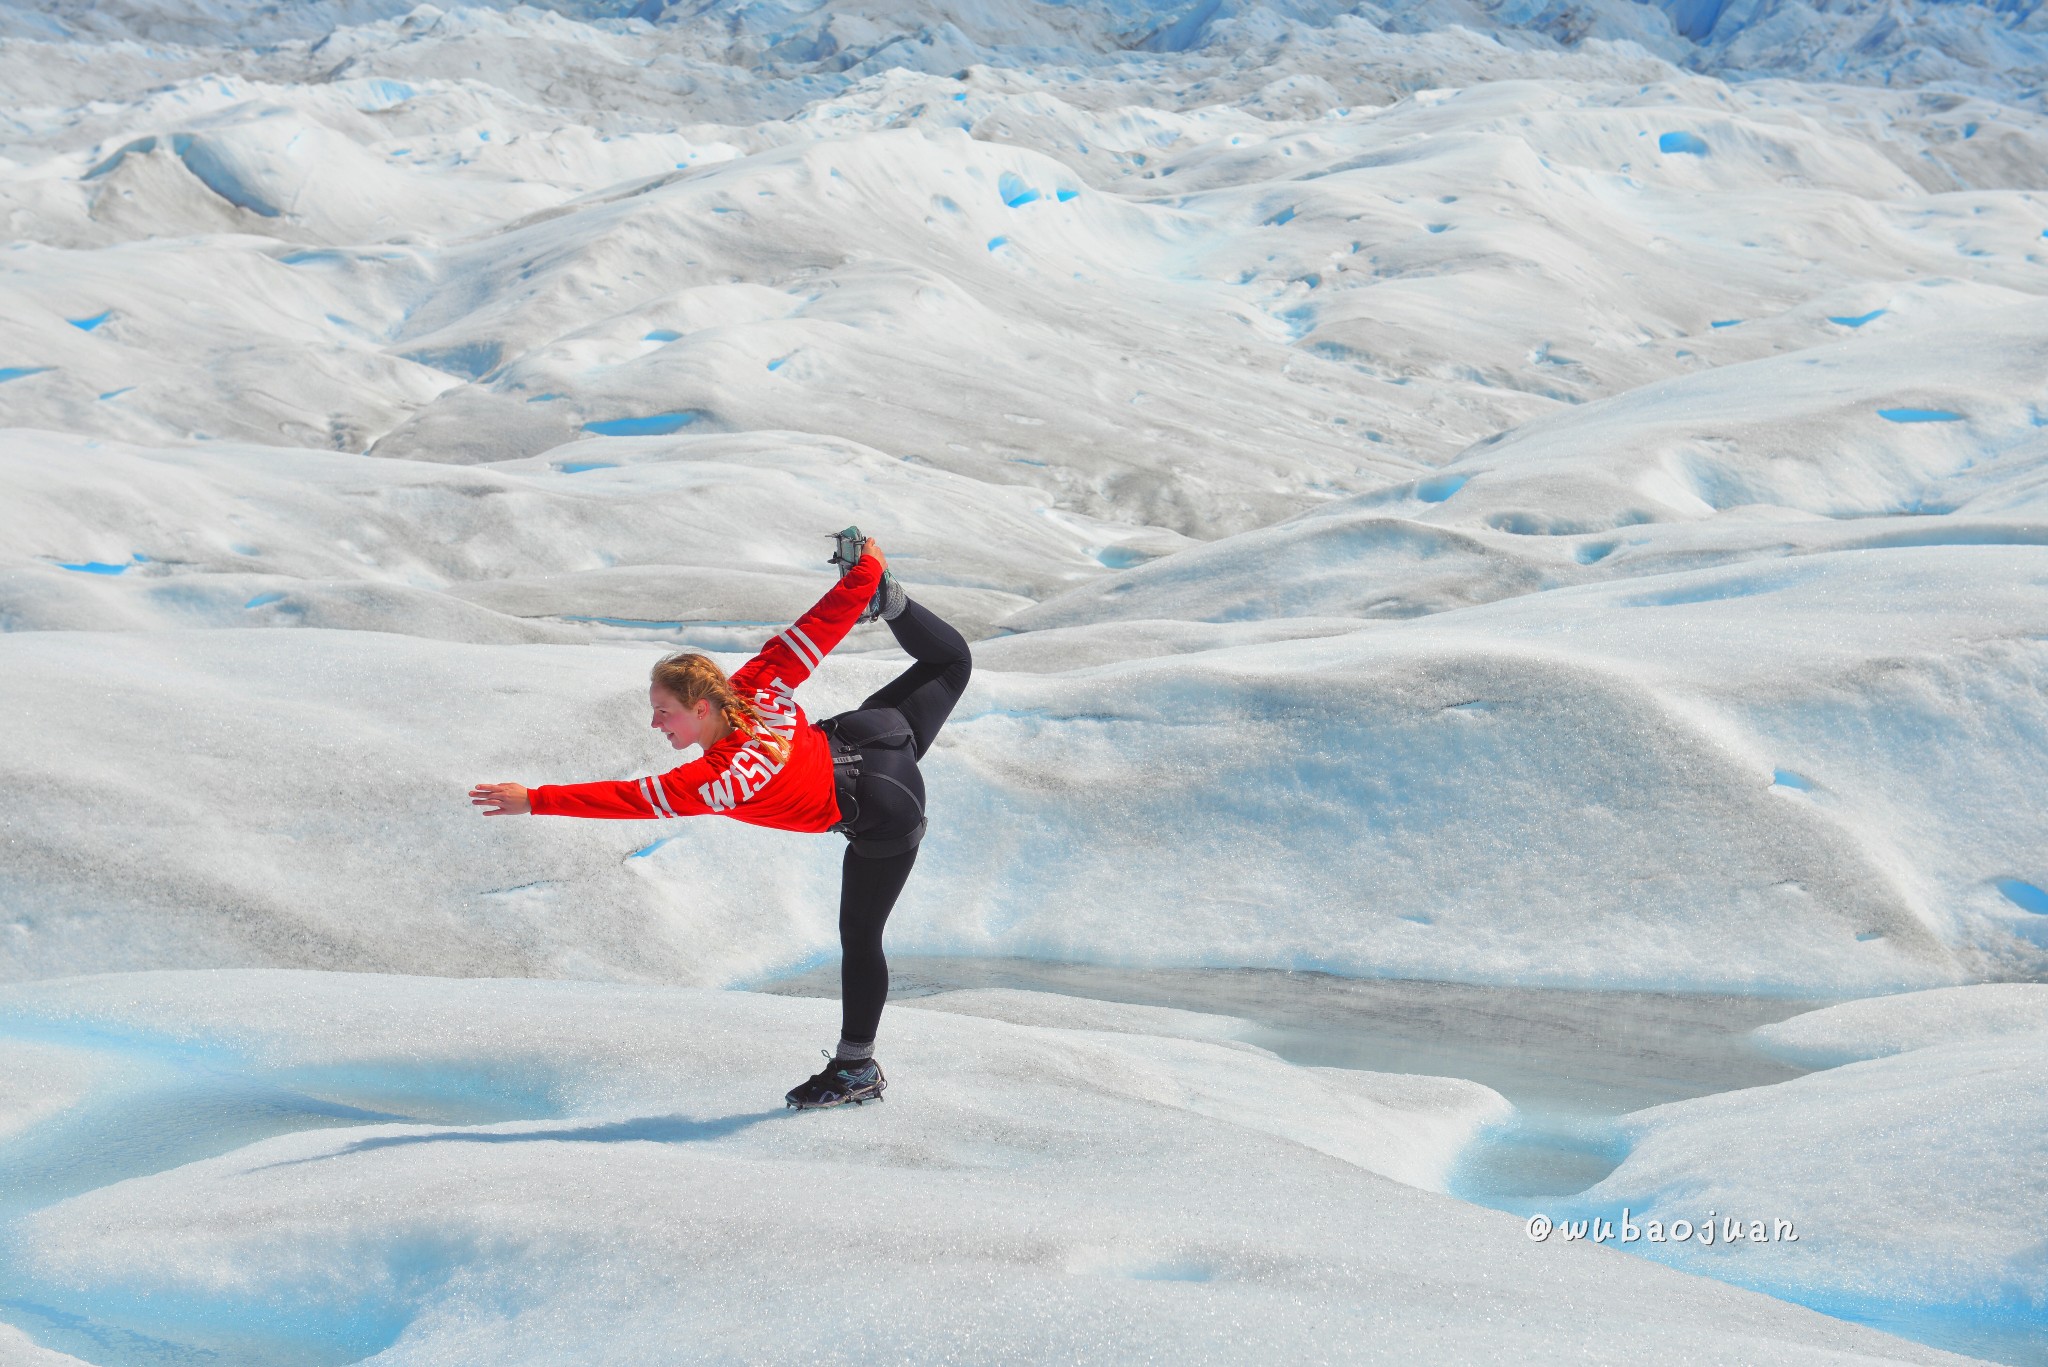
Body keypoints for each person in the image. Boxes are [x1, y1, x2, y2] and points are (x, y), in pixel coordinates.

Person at [468, 530, 973, 1110]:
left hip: (882, 812)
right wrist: (864, 576)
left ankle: (856, 1071)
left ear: (701, 708)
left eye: (665, 712)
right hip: (876, 740)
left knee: (861, 938)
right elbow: (820, 625)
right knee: (950, 660)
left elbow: (624, 797)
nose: (657, 724)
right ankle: (892, 599)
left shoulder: (713, 781)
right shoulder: (758, 683)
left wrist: (533, 799)